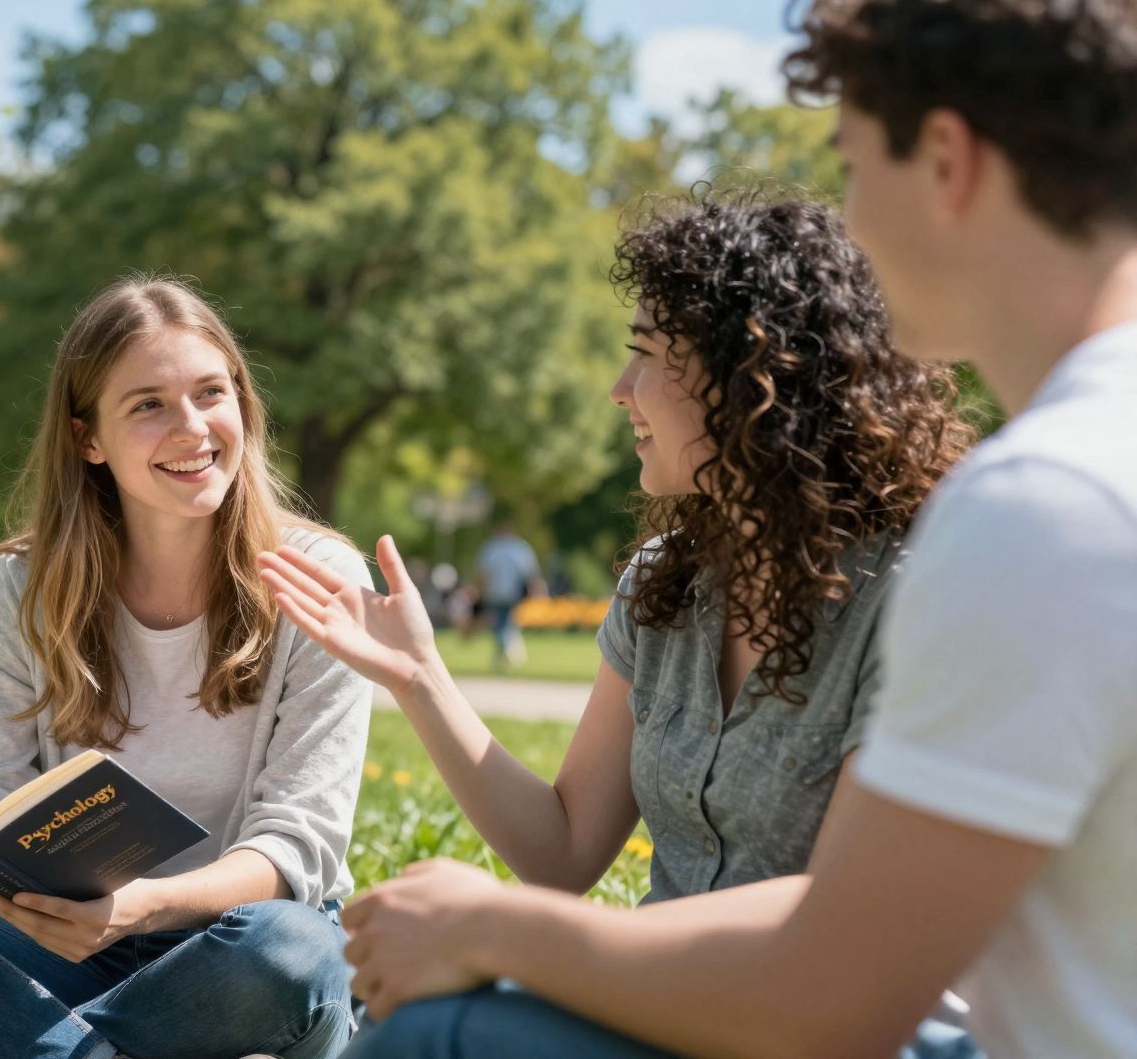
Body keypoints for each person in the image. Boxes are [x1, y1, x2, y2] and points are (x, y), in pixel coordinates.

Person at [328, 0, 1137, 1056]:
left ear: (945, 162)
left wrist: (488, 927)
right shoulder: (1070, 477)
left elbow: (833, 988)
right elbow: (576, 853)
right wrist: (421, 677)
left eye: (856, 162)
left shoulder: (1036, 510)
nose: (851, 222)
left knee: (439, 1035)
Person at [262, 190, 971, 940]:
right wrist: (417, 674)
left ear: (754, 380)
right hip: (653, 1004)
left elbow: (849, 918)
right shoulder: (665, 582)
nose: (619, 390)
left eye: (647, 355)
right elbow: (563, 852)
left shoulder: (911, 597)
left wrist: (513, 937)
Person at [0, 277, 374, 1059]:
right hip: (59, 949)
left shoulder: (320, 577)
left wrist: (143, 906)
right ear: (88, 439)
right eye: (147, 404)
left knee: (294, 949)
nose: (192, 428)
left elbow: (297, 849)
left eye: (212, 393)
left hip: (231, 955)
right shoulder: (26, 585)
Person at [466, 523, 545, 668]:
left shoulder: (492, 548)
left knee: (502, 624)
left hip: (495, 592)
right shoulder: (520, 548)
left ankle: (504, 654)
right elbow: (530, 573)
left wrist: (478, 590)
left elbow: (483, 574)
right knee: (506, 622)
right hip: (512, 593)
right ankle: (509, 653)